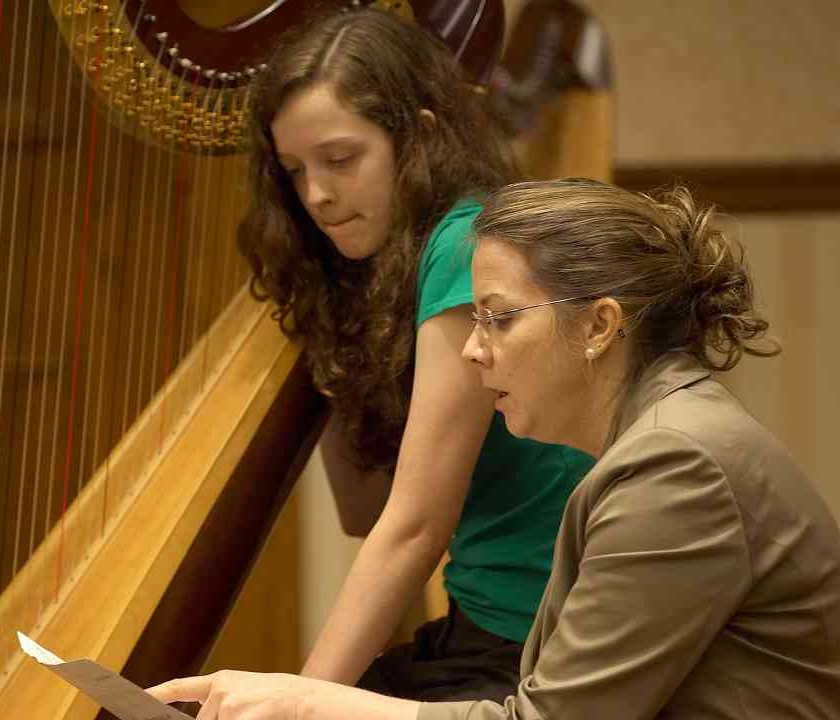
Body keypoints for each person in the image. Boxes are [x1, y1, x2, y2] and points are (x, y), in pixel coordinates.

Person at [148, 180, 840, 719]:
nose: (471, 350)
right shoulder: (660, 440)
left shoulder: (676, 467)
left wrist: (306, 701)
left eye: (498, 319)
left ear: (599, 325)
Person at [229, 6, 594, 702]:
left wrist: (299, 701)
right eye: (294, 170)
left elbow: (416, 526)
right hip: (481, 625)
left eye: (341, 160)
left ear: (418, 138)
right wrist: (326, 313)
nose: (316, 195)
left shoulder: (467, 246)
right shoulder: (386, 268)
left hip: (540, 643)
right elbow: (364, 510)